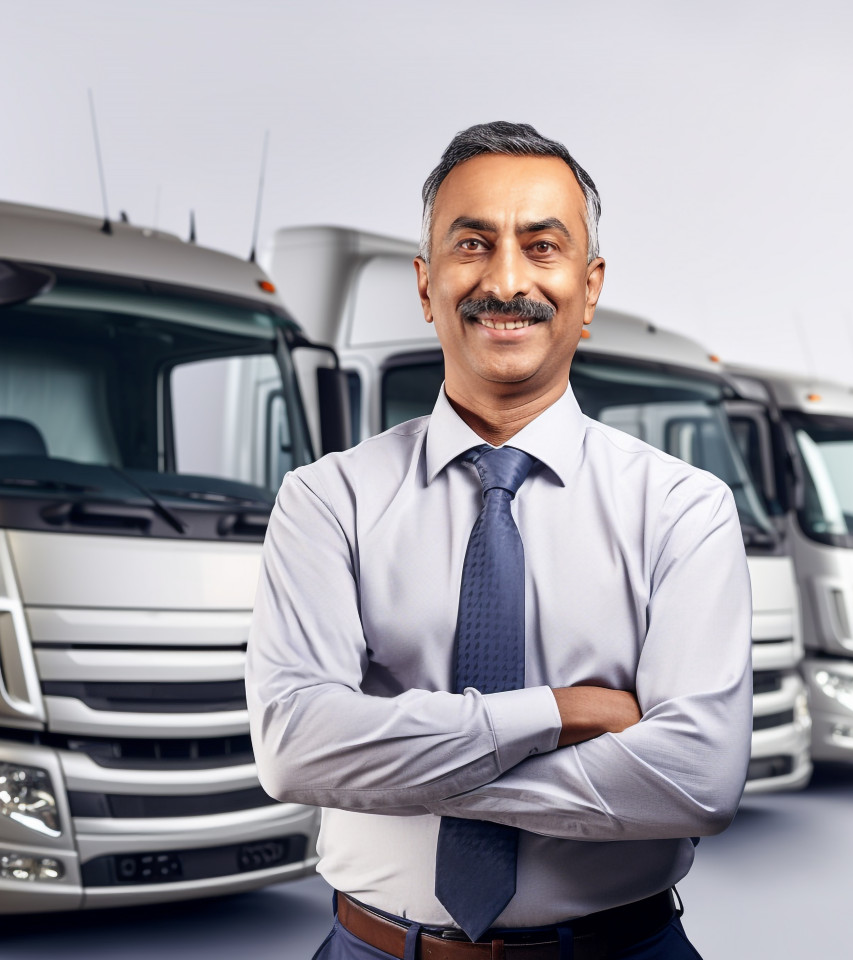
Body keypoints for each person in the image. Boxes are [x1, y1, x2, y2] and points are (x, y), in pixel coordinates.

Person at [246, 121, 753, 960]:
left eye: (542, 246)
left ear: (589, 290)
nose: (507, 278)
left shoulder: (682, 507)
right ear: (426, 284)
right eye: (473, 243)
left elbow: (696, 779)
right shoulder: (326, 499)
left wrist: (398, 763)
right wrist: (560, 715)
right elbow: (297, 749)